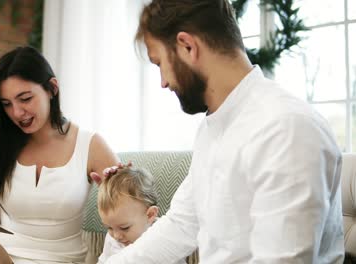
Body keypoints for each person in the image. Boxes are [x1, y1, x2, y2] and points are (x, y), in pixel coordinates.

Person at [91, 0, 345, 263]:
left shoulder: (286, 127)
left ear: (188, 46)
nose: (163, 82)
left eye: (159, 64)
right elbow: (181, 225)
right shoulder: (212, 129)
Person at [0, 46, 119, 264]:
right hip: (4, 258)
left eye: (25, 98)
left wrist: (126, 187)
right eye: (7, 104)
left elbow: (131, 205)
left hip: (61, 260)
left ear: (52, 89)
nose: (17, 112)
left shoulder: (90, 144)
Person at [96, 166, 186, 264]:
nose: (116, 236)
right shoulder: (112, 236)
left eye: (125, 228)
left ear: (150, 215)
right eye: (109, 227)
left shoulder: (164, 236)